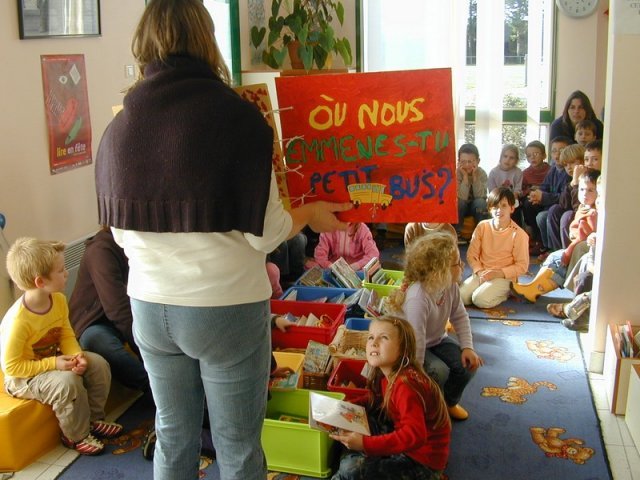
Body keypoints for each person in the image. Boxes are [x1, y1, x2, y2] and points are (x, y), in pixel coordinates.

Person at [93, 1, 351, 479]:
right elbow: (268, 235)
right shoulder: (240, 119)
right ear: (207, 39)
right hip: (225, 307)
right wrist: (312, 212)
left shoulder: (118, 129)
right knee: (236, 445)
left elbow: (120, 238)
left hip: (149, 305)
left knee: (172, 434)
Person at [1, 238, 122, 456]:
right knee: (67, 383)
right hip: (23, 377)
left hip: (52, 360)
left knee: (98, 364)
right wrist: (54, 363)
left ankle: (93, 420)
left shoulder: (57, 300)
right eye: (61, 270)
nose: (66, 273)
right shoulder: (19, 322)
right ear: (40, 282)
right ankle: (75, 436)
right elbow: (12, 368)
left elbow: (65, 333)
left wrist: (76, 355)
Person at [330, 316, 451, 480]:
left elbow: (415, 435)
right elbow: (375, 399)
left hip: (422, 462)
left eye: (384, 338)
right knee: (357, 423)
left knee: (350, 471)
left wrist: (365, 444)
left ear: (403, 350)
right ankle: (358, 454)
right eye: (371, 337)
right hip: (403, 439)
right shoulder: (386, 373)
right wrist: (347, 407)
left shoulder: (406, 385)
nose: (374, 342)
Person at [387, 232, 484, 421]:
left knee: (467, 366)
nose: (462, 265)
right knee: (437, 371)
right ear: (439, 270)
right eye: (457, 263)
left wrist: (467, 347)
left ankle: (448, 403)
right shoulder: (418, 297)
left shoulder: (450, 285)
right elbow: (417, 341)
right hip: (410, 347)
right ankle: (428, 409)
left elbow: (460, 316)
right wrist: (417, 373)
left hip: (436, 339)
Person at [69, 227, 149, 392]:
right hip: (94, 322)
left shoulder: (137, 243)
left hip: (128, 313)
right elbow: (117, 310)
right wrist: (144, 350)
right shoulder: (101, 251)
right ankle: (154, 388)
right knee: (100, 342)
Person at [511, 170, 600, 303]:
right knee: (554, 257)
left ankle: (535, 290)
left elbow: (585, 235)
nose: (585, 194)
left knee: (561, 264)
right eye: (582, 189)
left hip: (581, 247)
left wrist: (570, 247)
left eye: (590, 190)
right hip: (574, 244)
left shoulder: (594, 212)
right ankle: (532, 288)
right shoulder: (583, 207)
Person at [459, 187, 529, 309]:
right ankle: (483, 288)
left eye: (504, 206)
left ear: (512, 208)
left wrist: (498, 273)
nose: (499, 210)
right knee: (461, 297)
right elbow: (472, 254)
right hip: (482, 273)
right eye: (495, 206)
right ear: (490, 209)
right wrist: (479, 271)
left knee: (479, 299)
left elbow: (522, 266)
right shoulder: (482, 226)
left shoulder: (519, 234)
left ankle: (507, 292)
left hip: (504, 277)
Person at [526, 143, 581, 259]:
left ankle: (562, 252)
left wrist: (574, 183)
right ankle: (553, 250)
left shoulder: (577, 177)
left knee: (557, 213)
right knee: (532, 205)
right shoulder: (555, 170)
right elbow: (563, 201)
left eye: (572, 163)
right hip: (556, 206)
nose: (569, 167)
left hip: (574, 210)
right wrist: (537, 195)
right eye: (566, 165)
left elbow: (573, 205)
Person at [309, 222, 379, 271]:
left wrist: (356, 266)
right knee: (311, 267)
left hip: (358, 270)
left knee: (374, 268)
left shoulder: (362, 229)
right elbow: (320, 255)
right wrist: (331, 266)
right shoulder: (328, 228)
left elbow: (373, 254)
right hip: (333, 269)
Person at [520, 140, 550, 253]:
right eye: (529, 156)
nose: (532, 157)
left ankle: (543, 242)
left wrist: (540, 190)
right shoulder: (526, 173)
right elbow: (522, 190)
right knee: (528, 203)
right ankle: (536, 239)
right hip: (532, 201)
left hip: (547, 200)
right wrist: (529, 190)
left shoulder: (550, 170)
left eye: (536, 154)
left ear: (544, 155)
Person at [454, 143, 489, 239]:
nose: (467, 165)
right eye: (463, 161)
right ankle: (457, 233)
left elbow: (480, 195)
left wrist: (475, 178)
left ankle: (481, 234)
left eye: (471, 161)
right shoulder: (456, 173)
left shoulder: (482, 173)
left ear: (478, 161)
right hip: (462, 206)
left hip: (475, 206)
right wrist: (465, 178)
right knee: (458, 202)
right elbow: (461, 197)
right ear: (458, 162)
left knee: (481, 203)